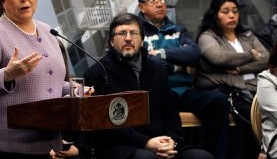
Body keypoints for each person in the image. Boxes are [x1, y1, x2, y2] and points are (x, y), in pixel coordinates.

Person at [83, 13, 213, 159]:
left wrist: (172, 141)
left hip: (160, 142)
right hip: (122, 147)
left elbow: (171, 114)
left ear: (142, 40)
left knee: (201, 156)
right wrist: (146, 142)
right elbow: (104, 126)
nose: (128, 38)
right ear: (111, 41)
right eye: (121, 33)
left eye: (134, 33)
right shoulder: (96, 74)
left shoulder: (157, 69)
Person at [0, 0, 70, 158]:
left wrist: (75, 89)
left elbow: (48, 83)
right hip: (7, 147)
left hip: (48, 144)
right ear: (1, 0)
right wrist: (7, 75)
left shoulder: (49, 31)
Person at [137, 0, 230, 159]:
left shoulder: (178, 30)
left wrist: (161, 54)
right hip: (155, 96)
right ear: (141, 7)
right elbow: (145, 63)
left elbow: (193, 54)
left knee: (218, 101)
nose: (160, 4)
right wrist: (176, 65)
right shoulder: (137, 32)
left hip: (182, 92)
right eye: (153, 0)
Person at [195, 0, 269, 159]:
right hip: (231, 91)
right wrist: (250, 55)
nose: (231, 15)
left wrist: (240, 69)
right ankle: (264, 152)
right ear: (215, 14)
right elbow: (219, 57)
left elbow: (266, 59)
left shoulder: (247, 35)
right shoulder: (208, 36)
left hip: (256, 88)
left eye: (235, 11)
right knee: (255, 118)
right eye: (225, 11)